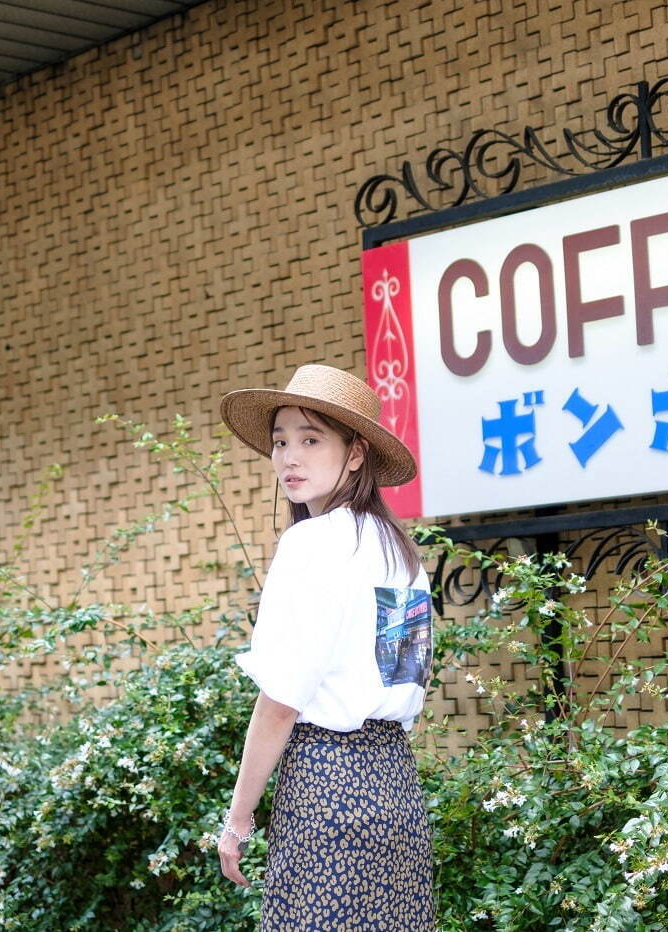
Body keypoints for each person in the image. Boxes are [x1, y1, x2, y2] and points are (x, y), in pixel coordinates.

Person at [216, 363, 436, 930]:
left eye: (312, 440)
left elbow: (282, 700)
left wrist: (238, 820)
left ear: (356, 452)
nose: (290, 457)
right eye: (281, 440)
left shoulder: (311, 544)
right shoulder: (401, 554)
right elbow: (405, 674)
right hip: (396, 788)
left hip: (325, 788)